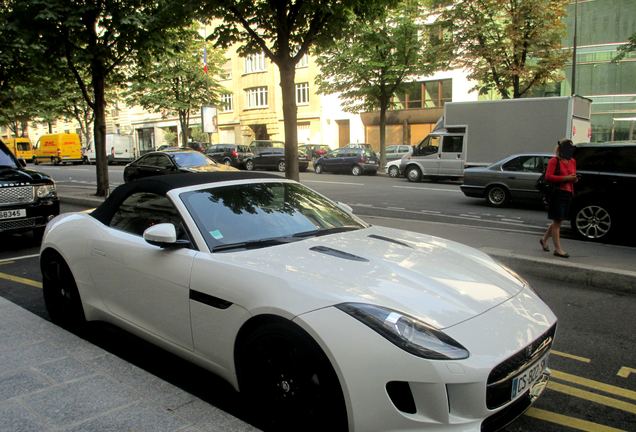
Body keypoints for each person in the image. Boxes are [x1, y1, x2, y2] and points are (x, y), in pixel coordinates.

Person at [540, 139, 577, 258]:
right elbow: (548, 177)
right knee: (557, 221)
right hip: (557, 193)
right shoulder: (554, 161)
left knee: (558, 220)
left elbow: (572, 176)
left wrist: (574, 179)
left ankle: (544, 239)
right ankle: (558, 249)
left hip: (568, 192)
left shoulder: (572, 161)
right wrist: (566, 178)